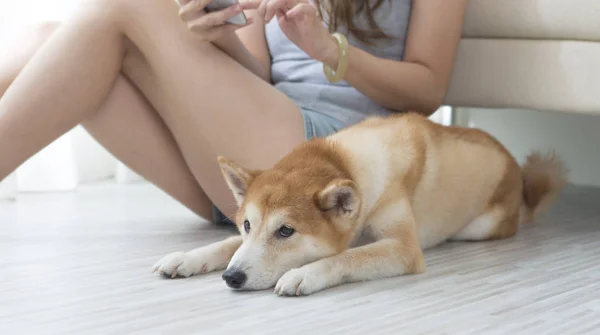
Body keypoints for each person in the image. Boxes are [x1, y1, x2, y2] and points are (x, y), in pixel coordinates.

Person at [0, 0, 467, 223]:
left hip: (329, 158)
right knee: (47, 37)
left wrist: (330, 51)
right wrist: (216, 31)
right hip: (241, 176)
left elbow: (427, 89)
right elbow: (257, 77)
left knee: (124, 8)